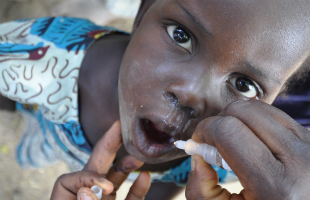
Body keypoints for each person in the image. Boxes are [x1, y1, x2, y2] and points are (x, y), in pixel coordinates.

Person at [1, 0, 310, 199]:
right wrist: (12, 101)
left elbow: (170, 185)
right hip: (47, 132)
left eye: (244, 85)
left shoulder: (222, 161)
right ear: (142, 11)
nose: (191, 94)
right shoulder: (45, 52)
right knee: (37, 150)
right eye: (180, 35)